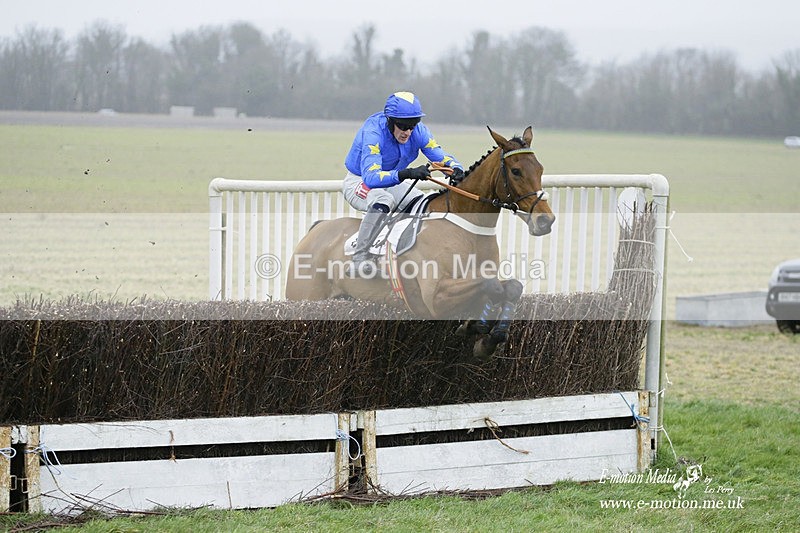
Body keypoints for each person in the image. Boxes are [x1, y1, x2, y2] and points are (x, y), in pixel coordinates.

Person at [342, 91, 465, 277]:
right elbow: (372, 178)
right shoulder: (373, 132)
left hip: (391, 180)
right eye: (402, 126)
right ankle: (359, 258)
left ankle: (408, 252)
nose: (407, 131)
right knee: (384, 199)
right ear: (389, 121)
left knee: (421, 202)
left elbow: (440, 156)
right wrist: (407, 173)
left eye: (412, 126)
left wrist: (455, 168)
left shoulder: (419, 131)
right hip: (361, 180)